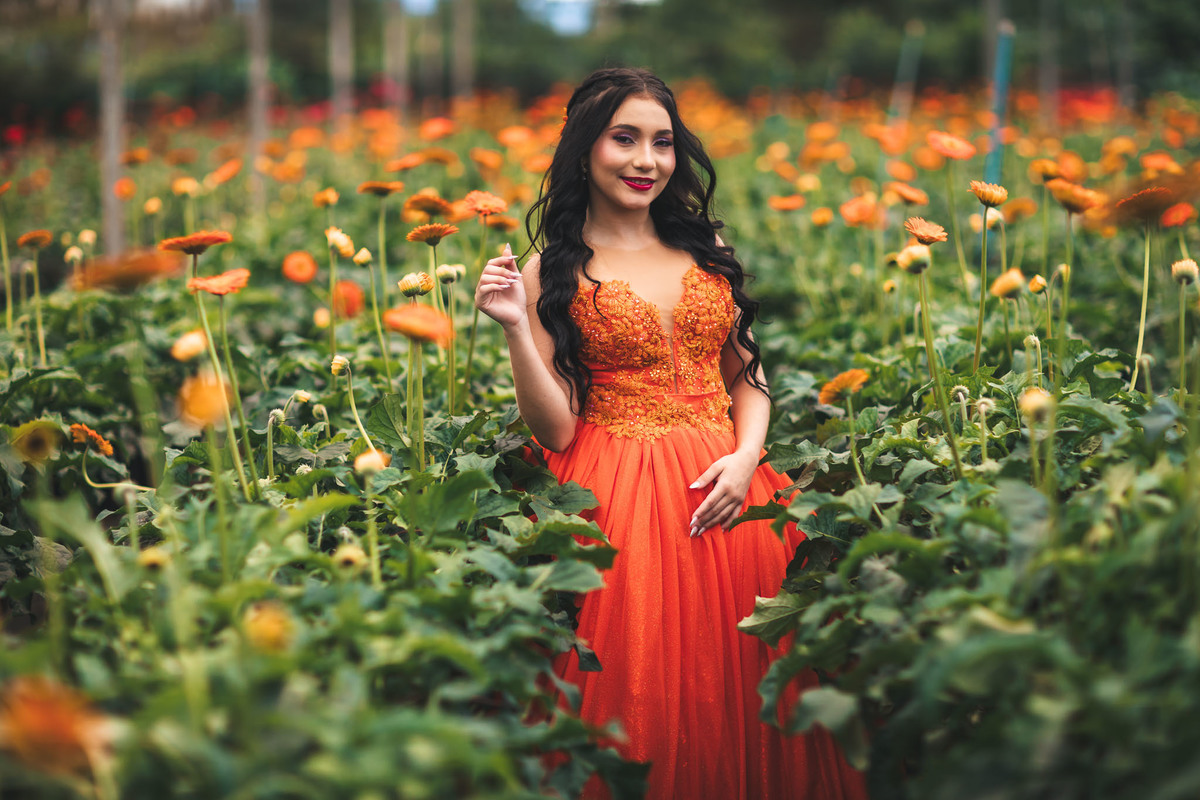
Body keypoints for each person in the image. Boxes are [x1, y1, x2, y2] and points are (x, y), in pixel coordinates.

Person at [474, 67, 866, 800]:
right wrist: (515, 330)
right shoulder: (548, 269)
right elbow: (555, 429)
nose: (645, 161)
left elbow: (747, 377)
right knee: (639, 682)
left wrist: (746, 458)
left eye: (661, 142)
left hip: (731, 490)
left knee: (745, 678)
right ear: (586, 149)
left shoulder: (704, 245)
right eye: (624, 139)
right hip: (617, 492)